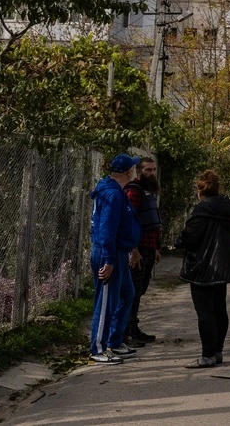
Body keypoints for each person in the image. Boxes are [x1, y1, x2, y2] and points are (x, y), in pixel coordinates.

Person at [175, 170, 230, 369]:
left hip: (203, 265)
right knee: (219, 308)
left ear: (199, 190)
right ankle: (217, 350)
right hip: (222, 265)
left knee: (204, 312)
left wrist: (179, 241)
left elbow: (191, 235)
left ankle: (207, 355)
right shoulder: (228, 207)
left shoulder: (202, 209)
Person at [89, 154, 142, 365]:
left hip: (117, 252)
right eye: (134, 168)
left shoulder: (114, 191)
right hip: (108, 253)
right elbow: (107, 230)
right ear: (128, 172)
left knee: (127, 293)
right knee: (105, 302)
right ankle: (98, 348)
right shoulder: (112, 194)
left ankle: (115, 340)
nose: (136, 171)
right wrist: (109, 261)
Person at [124, 157, 162, 348]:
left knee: (140, 290)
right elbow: (129, 221)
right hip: (137, 250)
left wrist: (156, 248)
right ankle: (126, 331)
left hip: (148, 248)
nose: (152, 173)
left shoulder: (150, 192)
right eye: (148, 170)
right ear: (139, 171)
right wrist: (134, 250)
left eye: (154, 170)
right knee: (132, 291)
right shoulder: (134, 191)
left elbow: (153, 222)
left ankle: (133, 327)